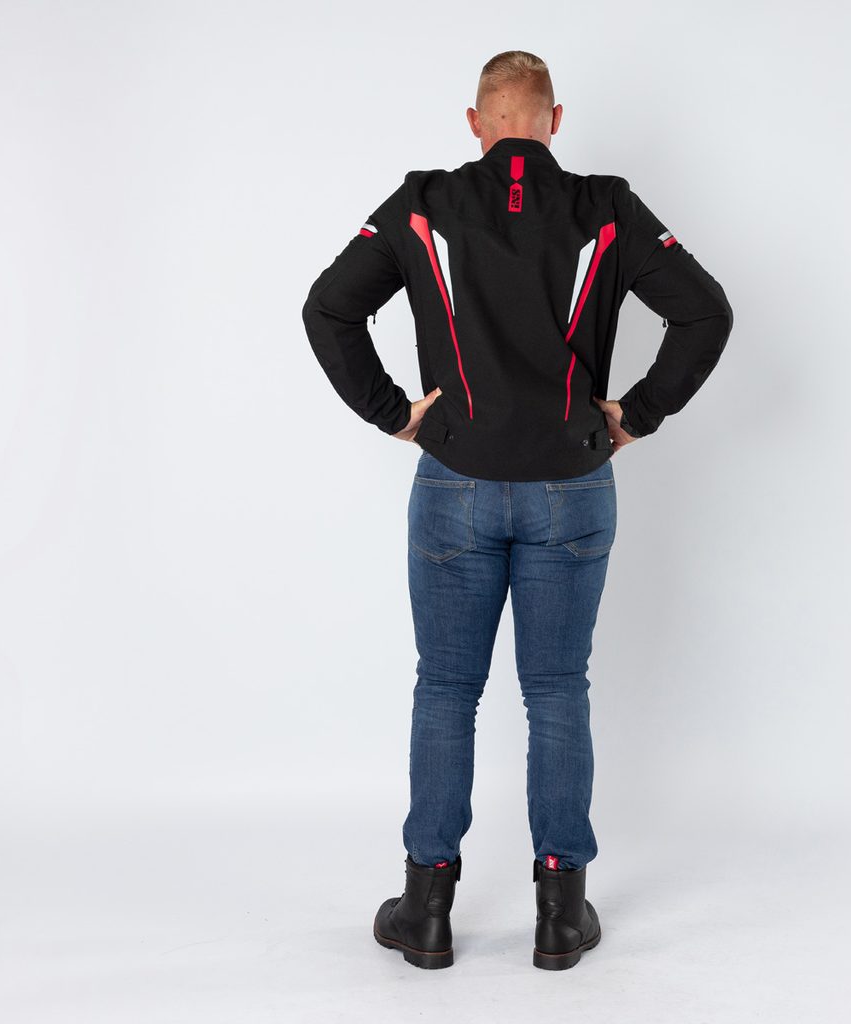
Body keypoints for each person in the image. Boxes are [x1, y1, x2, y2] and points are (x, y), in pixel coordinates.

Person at [301, 50, 734, 971]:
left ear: (476, 124)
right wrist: (635, 416)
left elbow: (328, 309)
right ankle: (559, 915)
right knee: (557, 689)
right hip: (571, 485)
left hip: (453, 483)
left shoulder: (424, 202)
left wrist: (395, 415)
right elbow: (706, 313)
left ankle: (425, 910)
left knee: (445, 688)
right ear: (553, 121)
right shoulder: (604, 207)